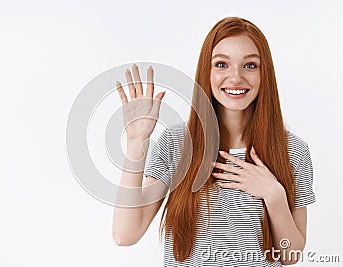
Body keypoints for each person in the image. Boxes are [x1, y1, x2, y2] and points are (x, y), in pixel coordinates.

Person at [112, 17, 315, 266]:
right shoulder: (176, 143)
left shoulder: (293, 151)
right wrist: (136, 141)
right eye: (221, 64)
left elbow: (290, 256)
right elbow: (125, 234)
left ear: (266, 74)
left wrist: (273, 194)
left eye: (250, 65)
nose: (235, 77)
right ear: (206, 72)